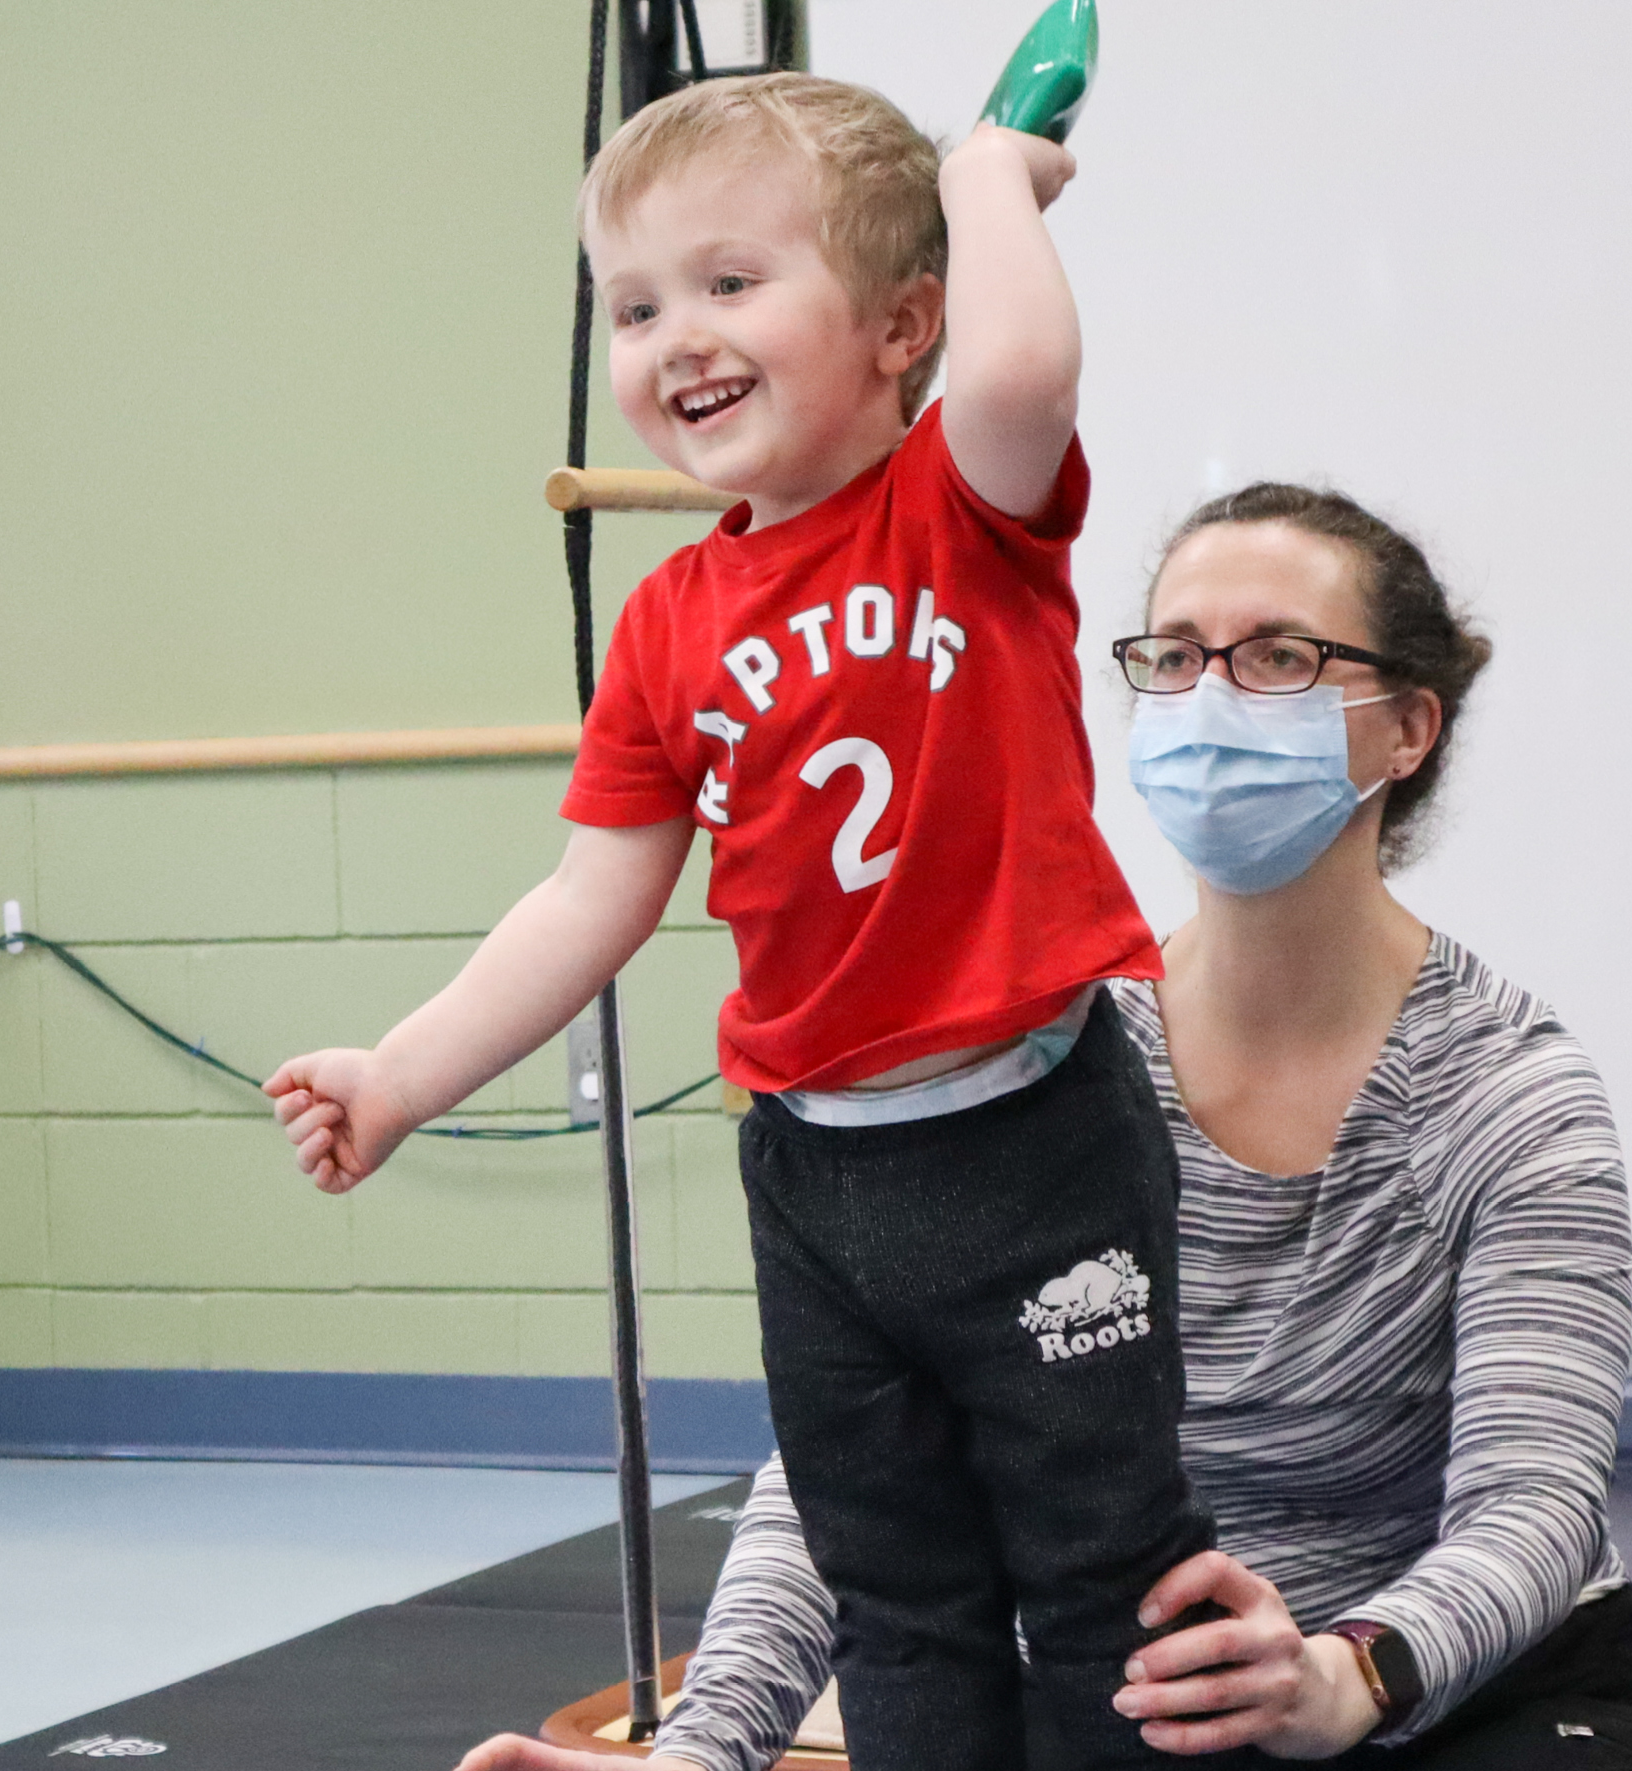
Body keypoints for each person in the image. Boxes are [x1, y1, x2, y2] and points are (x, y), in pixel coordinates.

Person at [268, 72, 1210, 1771]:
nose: (671, 338)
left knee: (1100, 1575)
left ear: (899, 325)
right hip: (822, 1180)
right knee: (899, 1585)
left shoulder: (965, 510)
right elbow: (591, 896)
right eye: (631, 306)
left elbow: (1023, 368)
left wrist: (985, 175)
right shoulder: (668, 626)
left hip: (1033, 1144)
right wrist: (403, 1074)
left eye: (727, 283)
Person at [460, 485, 1632, 1771]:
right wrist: (706, 1749)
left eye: (1277, 655)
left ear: (1404, 728)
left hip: (1451, 1687)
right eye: (1171, 655)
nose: (1209, 696)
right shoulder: (1033, 1065)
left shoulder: (1509, 1088)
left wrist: (1344, 1676)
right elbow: (855, 1468)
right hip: (1148, 1688)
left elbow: (1533, 1504)